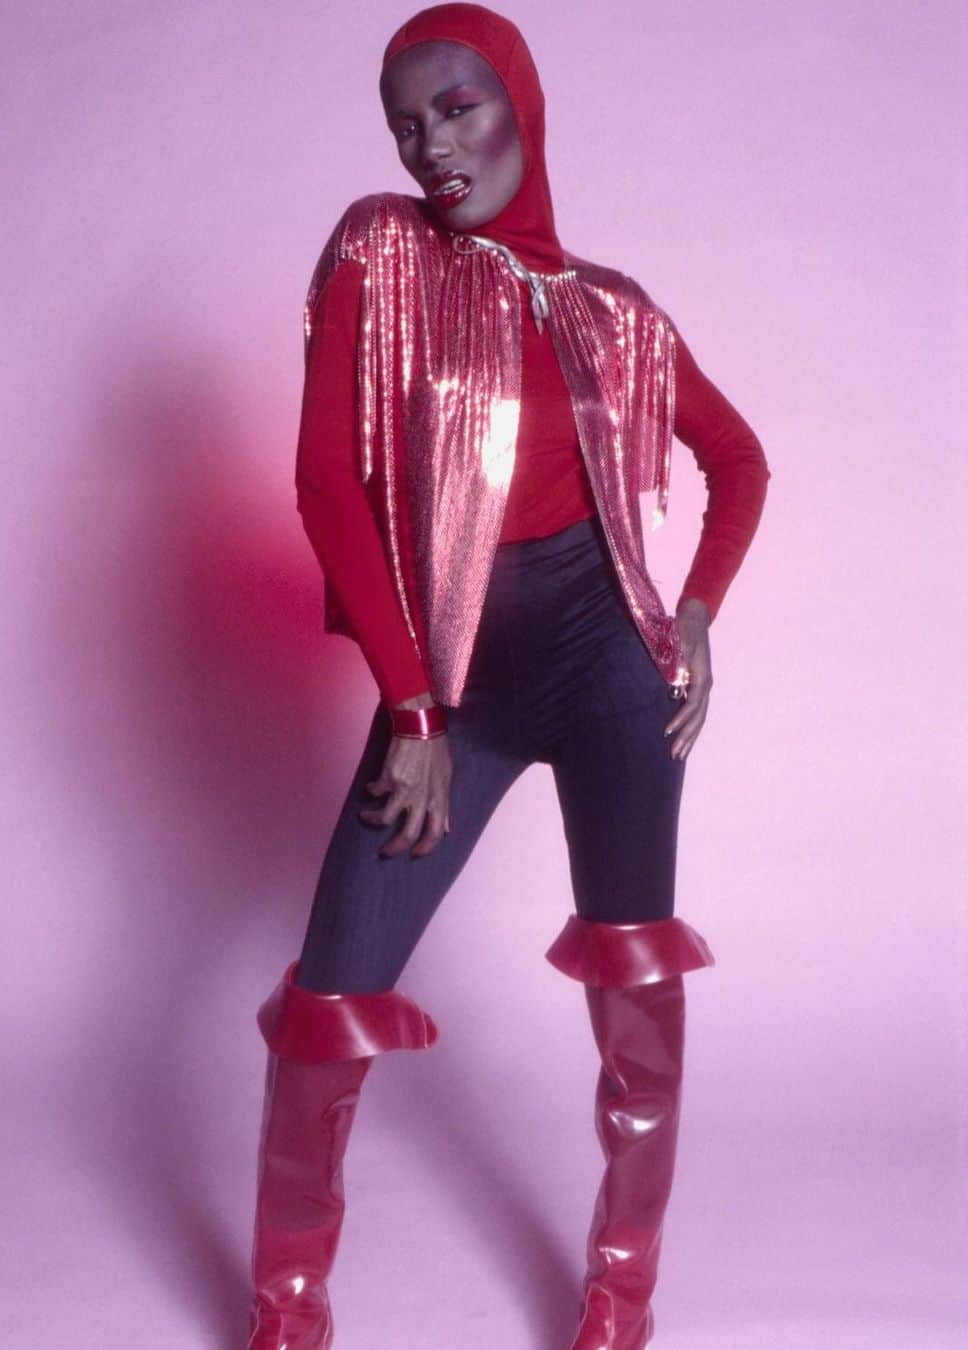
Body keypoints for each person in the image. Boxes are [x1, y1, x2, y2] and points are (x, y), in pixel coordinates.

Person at [245, 5, 770, 1347]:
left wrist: (694, 614)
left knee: (633, 995)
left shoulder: (618, 312)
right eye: (406, 120)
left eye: (458, 108)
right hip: (455, 693)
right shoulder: (385, 255)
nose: (430, 143)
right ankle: (287, 1309)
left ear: (523, 108)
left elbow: (742, 460)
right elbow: (325, 484)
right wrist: (414, 704)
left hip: (612, 681)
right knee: (328, 993)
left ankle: (621, 1288)